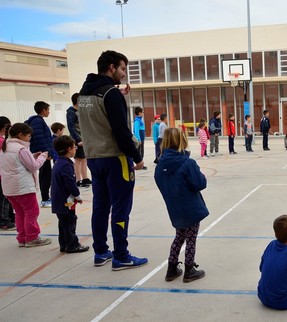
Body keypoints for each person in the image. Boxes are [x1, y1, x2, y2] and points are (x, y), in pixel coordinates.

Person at [77, 50, 147, 270]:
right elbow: (120, 131)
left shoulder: (84, 94)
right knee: (121, 208)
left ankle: (100, 251)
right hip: (115, 159)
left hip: (94, 159)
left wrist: (117, 96)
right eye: (123, 68)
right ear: (111, 67)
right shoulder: (110, 94)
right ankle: (121, 255)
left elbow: (100, 118)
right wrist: (137, 157)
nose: (124, 74)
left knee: (100, 207)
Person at [155, 128, 208, 283]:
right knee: (191, 238)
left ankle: (171, 268)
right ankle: (189, 269)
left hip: (174, 208)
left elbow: (161, 184)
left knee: (179, 237)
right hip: (190, 208)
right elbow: (200, 183)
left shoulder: (160, 165)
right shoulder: (187, 162)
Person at [0, 123, 51, 247]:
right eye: (28, 136)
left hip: (10, 188)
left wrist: (33, 156)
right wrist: (43, 157)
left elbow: (18, 163)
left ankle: (22, 237)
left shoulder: (5, 147)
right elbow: (33, 166)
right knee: (31, 212)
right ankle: (32, 237)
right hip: (23, 188)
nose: (30, 139)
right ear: (20, 135)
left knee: (20, 213)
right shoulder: (20, 149)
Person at [51, 135, 90, 253]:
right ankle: (73, 245)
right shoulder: (66, 165)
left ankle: (64, 244)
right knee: (69, 222)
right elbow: (70, 183)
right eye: (74, 147)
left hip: (58, 200)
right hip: (66, 201)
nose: (75, 149)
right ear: (69, 149)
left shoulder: (59, 162)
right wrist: (78, 196)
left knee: (63, 223)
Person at [25, 101, 55, 207]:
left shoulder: (39, 121)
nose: (49, 112)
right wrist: (47, 153)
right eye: (48, 110)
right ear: (43, 110)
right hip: (42, 153)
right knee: (45, 176)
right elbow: (40, 138)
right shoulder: (38, 121)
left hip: (43, 152)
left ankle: (46, 197)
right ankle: (45, 199)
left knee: (46, 175)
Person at [66, 93, 91, 187]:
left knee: (84, 158)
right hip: (78, 139)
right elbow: (71, 127)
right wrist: (78, 139)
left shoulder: (81, 110)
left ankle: (85, 178)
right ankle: (78, 180)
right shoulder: (71, 112)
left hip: (84, 138)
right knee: (78, 160)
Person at [0, 116, 16, 231]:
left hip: (3, 173)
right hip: (3, 174)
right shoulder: (2, 141)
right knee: (4, 199)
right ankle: (4, 221)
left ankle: (8, 218)